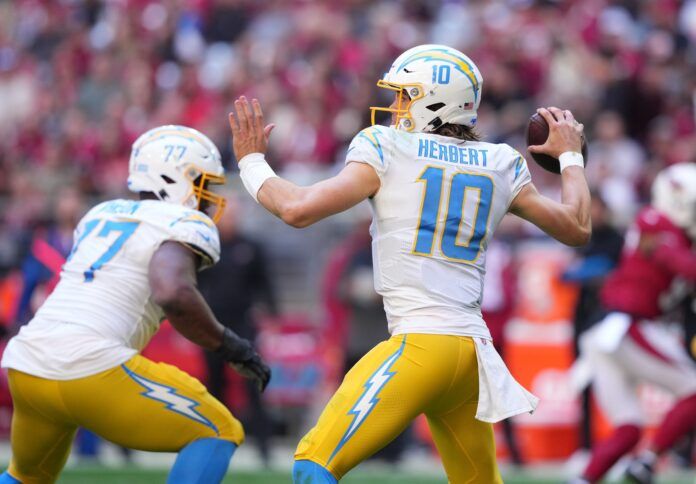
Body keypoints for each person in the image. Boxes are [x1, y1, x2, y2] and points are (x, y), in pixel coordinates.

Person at [229, 43, 591, 483]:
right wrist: (571, 157)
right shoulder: (500, 163)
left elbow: (297, 209)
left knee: (314, 463)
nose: (396, 105)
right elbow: (576, 227)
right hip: (473, 357)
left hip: (421, 347)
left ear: (435, 100)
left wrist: (250, 161)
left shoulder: (388, 147)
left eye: (406, 94)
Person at [0, 125, 271, 484]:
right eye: (204, 184)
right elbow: (172, 292)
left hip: (28, 363)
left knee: (27, 477)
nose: (209, 197)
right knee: (219, 430)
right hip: (90, 365)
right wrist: (230, 345)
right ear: (177, 180)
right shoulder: (184, 222)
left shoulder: (100, 214)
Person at [571, 163, 696, 484]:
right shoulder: (655, 221)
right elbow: (681, 264)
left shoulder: (670, 231)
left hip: (606, 331)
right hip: (623, 325)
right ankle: (648, 462)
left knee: (628, 429)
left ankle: (582, 481)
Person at [198, 194, 277, 467]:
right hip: (213, 324)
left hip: (244, 324)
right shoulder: (208, 247)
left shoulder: (251, 247)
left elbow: (265, 284)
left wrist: (270, 314)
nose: (229, 221)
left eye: (233, 216)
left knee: (254, 383)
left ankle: (264, 448)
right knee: (214, 385)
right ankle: (215, 445)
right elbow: (194, 284)